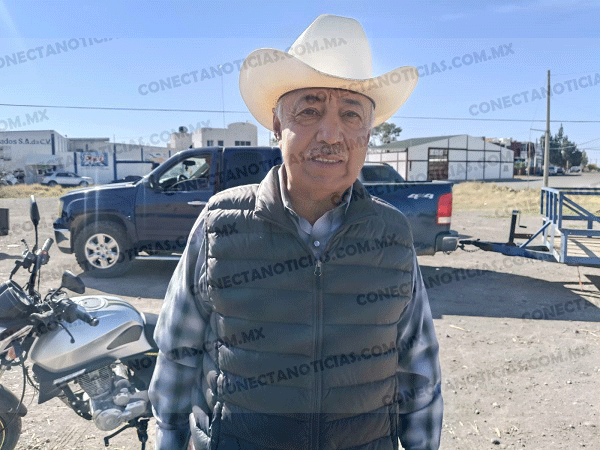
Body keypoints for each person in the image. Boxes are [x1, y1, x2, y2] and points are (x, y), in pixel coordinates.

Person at [149, 14, 442, 450]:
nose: (331, 134)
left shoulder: (391, 234)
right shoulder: (218, 225)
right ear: (276, 124)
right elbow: (177, 355)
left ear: (368, 133)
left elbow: (419, 372)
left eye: (351, 114)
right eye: (309, 110)